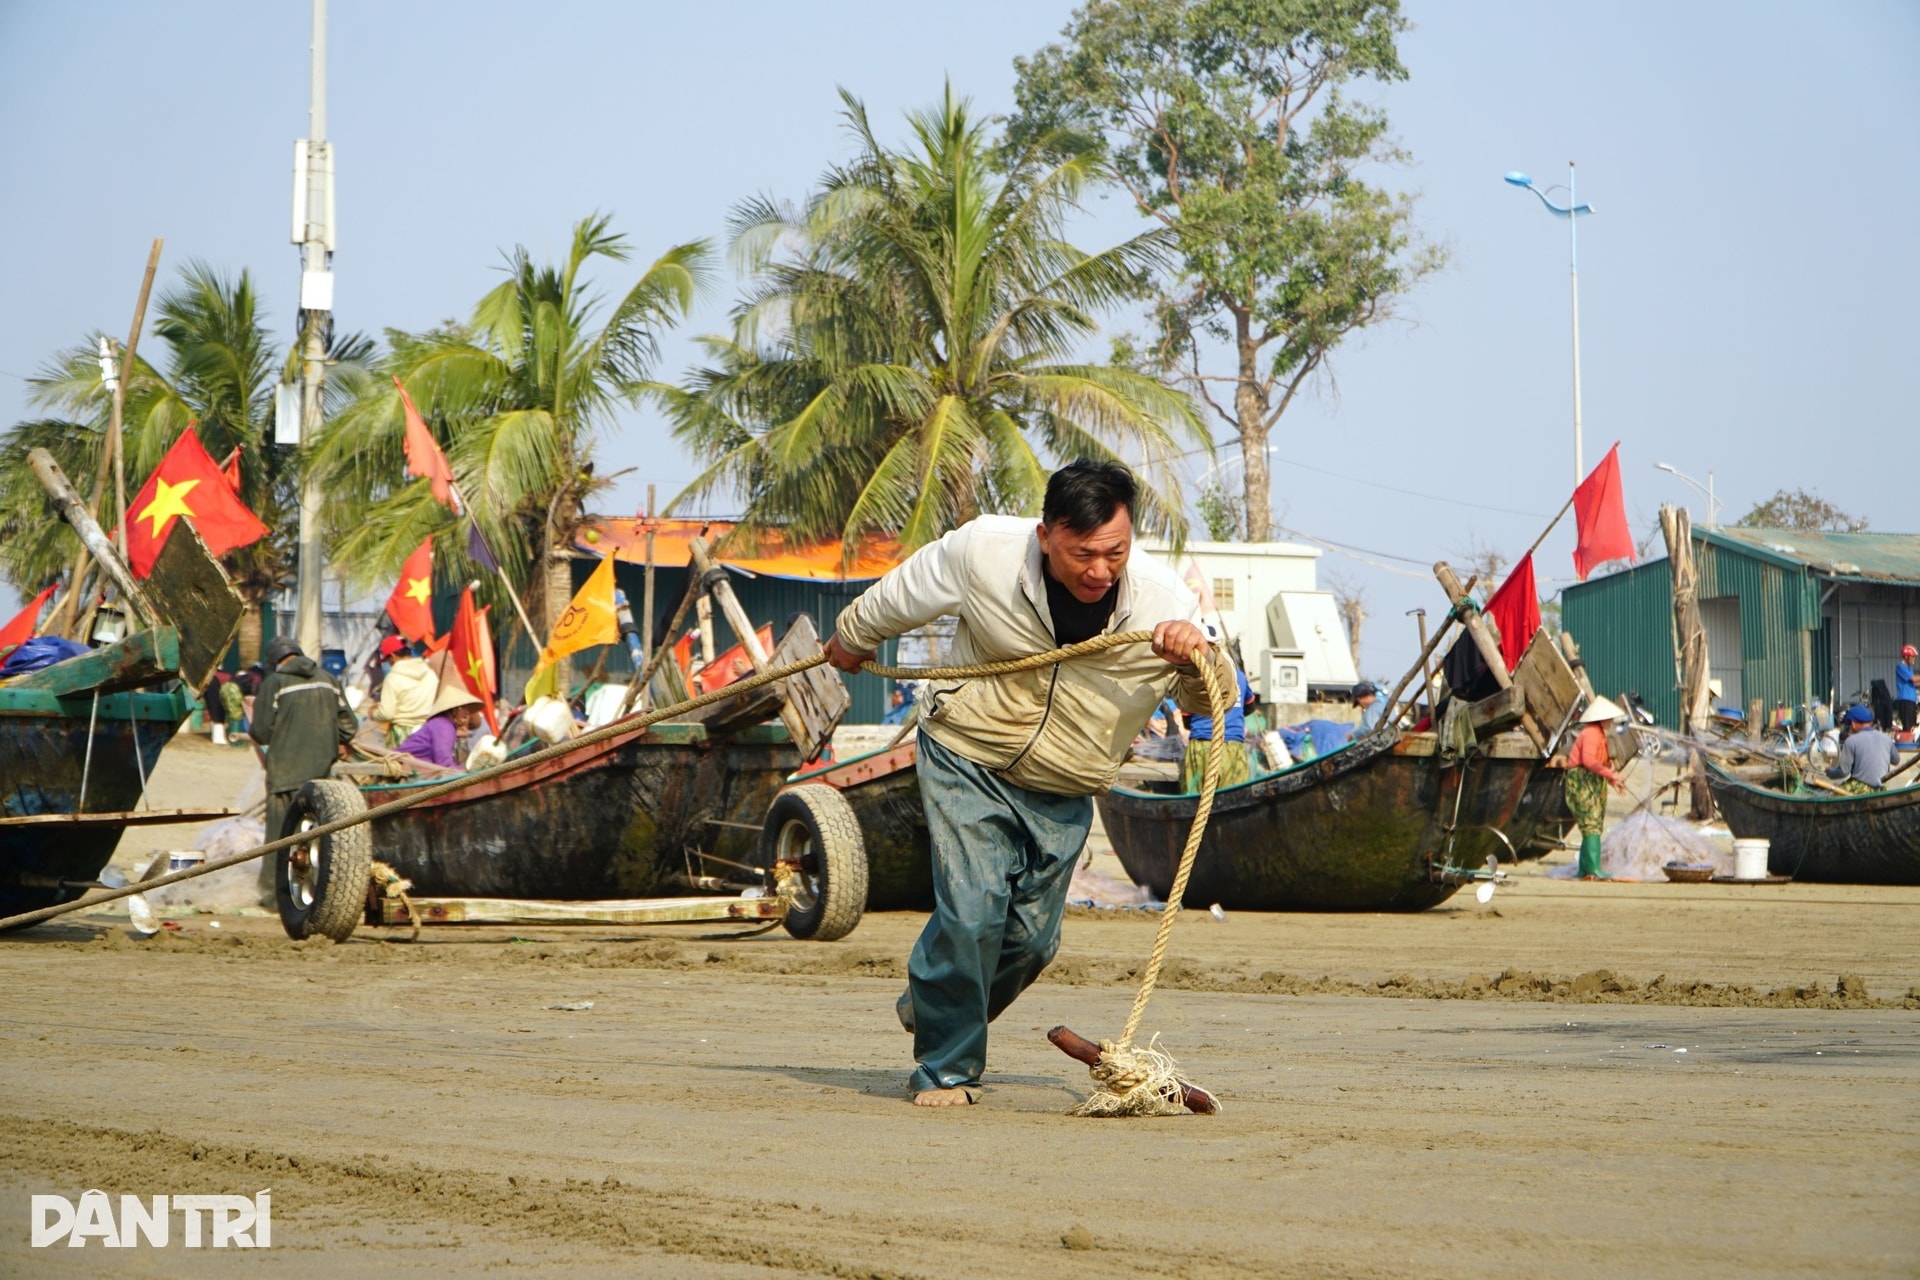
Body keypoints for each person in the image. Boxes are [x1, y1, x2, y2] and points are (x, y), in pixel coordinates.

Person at [824, 460, 1220, 1108]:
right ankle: (945, 1069)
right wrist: (852, 635)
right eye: (1081, 553)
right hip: (967, 753)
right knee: (973, 907)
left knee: (1034, 942)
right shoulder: (985, 552)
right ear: (1045, 537)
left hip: (1065, 783)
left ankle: (934, 1000)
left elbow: (1212, 701)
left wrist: (1194, 656)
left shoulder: (1163, 604)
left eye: (1114, 553)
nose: (1099, 570)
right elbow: (906, 590)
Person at [249, 637, 358, 840]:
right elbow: (349, 726)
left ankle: (276, 873)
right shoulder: (329, 680)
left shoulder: (275, 683)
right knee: (319, 839)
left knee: (279, 842)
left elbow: (261, 732)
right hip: (322, 775)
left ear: (274, 661)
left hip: (284, 777)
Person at [1563, 696, 1628, 879]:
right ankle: (1592, 869)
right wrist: (1612, 775)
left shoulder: (1600, 734)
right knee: (1591, 823)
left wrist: (1612, 781)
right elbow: (1589, 761)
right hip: (1582, 780)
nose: (1611, 721)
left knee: (1595, 824)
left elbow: (1601, 764)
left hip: (1593, 779)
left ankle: (1585, 870)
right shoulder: (1591, 733)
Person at [1182, 666, 1253, 793]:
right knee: (1234, 799)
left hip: (1201, 746)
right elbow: (1249, 706)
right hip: (1233, 747)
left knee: (1196, 801)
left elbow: (1186, 719)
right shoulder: (1238, 675)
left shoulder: (1195, 675)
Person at [395, 679, 484, 770]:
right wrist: (466, 772)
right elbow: (444, 763)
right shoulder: (444, 726)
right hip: (405, 767)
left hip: (417, 766)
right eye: (462, 708)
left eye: (468, 708)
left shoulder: (444, 724)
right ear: (453, 710)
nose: (467, 713)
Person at [377, 640, 438, 744]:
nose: (388, 664)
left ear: (392, 656)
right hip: (427, 733)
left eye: (387, 660)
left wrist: (373, 713)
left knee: (396, 760)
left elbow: (387, 714)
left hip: (401, 735)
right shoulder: (430, 673)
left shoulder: (393, 678)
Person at [1828, 704, 1896, 794]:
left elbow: (1843, 772)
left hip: (1861, 788)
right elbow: (1896, 760)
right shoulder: (1886, 738)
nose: (1850, 729)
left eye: (1850, 726)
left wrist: (1829, 771)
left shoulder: (1851, 741)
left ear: (1853, 724)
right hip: (1881, 788)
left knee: (1832, 795)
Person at [1895, 645, 1918, 737]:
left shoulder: (1909, 669)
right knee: (1908, 725)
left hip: (1911, 700)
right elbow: (1913, 679)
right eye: (1912, 657)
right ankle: (1907, 744)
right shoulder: (1901, 667)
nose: (1913, 659)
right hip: (1905, 699)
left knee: (1912, 724)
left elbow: (1915, 683)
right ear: (1906, 656)